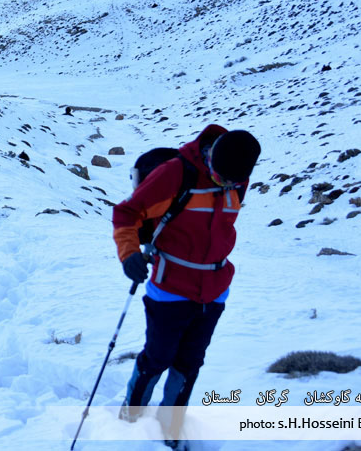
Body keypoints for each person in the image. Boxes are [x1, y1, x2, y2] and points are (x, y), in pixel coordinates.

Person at [112, 125, 261, 444]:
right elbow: (127, 214)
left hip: (215, 290)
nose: (229, 185)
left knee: (190, 362)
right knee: (158, 356)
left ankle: (170, 428)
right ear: (212, 158)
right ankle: (131, 413)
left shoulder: (237, 176)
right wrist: (129, 254)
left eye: (234, 182)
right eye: (223, 178)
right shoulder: (175, 174)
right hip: (169, 287)